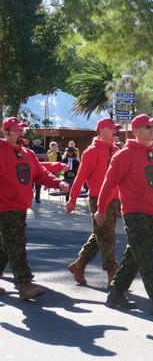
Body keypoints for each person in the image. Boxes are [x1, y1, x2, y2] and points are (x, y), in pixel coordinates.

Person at [94, 114, 153, 315]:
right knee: (147, 253)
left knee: (135, 254)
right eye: (147, 126)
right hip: (134, 213)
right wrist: (101, 209)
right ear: (136, 131)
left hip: (151, 213)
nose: (151, 129)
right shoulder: (123, 155)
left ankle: (116, 294)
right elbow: (108, 183)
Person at [0, 117, 69, 300]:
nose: (22, 134)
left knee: (6, 245)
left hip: (20, 206)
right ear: (6, 132)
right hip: (5, 207)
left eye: (23, 130)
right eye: (17, 130)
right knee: (16, 244)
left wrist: (58, 183)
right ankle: (24, 284)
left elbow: (39, 173)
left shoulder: (28, 154)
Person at [66, 118, 122, 286]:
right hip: (98, 199)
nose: (115, 132)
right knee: (107, 237)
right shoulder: (91, 152)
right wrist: (72, 198)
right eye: (113, 129)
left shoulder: (117, 150)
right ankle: (113, 274)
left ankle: (79, 264)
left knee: (101, 234)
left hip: (115, 200)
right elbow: (80, 177)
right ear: (102, 130)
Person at [29, 138, 48, 203]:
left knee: (38, 183)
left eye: (39, 141)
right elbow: (30, 156)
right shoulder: (31, 148)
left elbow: (45, 156)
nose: (38, 142)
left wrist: (37, 155)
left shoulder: (42, 148)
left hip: (39, 167)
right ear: (33, 142)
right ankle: (30, 197)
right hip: (31, 167)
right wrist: (40, 155)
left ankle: (37, 198)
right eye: (36, 141)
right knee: (30, 184)